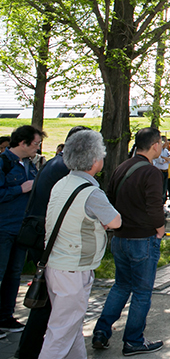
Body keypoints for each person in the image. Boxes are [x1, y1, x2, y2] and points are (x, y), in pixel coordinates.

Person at [40, 130, 121, 359]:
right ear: (95, 160)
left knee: (71, 328)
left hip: (56, 263)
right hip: (73, 269)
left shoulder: (62, 183)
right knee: (60, 333)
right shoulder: (91, 192)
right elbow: (116, 221)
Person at [16, 126, 90, 359]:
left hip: (40, 235)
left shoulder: (55, 163)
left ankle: (31, 349)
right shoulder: (65, 169)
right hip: (47, 240)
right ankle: (30, 351)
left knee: (48, 302)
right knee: (48, 304)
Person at [92, 127, 166, 356]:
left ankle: (101, 332)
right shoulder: (151, 172)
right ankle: (133, 340)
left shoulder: (121, 167)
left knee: (121, 285)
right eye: (161, 143)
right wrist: (161, 229)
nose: (162, 147)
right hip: (142, 239)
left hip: (120, 238)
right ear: (154, 145)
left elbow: (110, 199)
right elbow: (155, 206)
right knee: (142, 292)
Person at [0, 125, 46, 338]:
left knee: (13, 274)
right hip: (4, 228)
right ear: (22, 143)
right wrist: (21, 188)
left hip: (22, 230)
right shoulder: (4, 163)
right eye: (36, 144)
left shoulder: (29, 165)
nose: (37, 148)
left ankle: (5, 316)